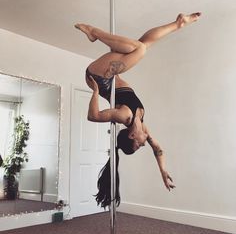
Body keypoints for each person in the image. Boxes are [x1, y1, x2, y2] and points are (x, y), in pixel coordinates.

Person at [75, 12, 201, 208]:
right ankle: (178, 24)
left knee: (140, 49)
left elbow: (93, 116)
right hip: (112, 73)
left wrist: (96, 91)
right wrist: (163, 172)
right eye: (142, 146)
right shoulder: (143, 127)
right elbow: (158, 150)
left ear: (133, 136)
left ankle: (94, 32)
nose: (144, 145)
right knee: (141, 45)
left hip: (99, 75)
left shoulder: (124, 116)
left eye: (138, 145)